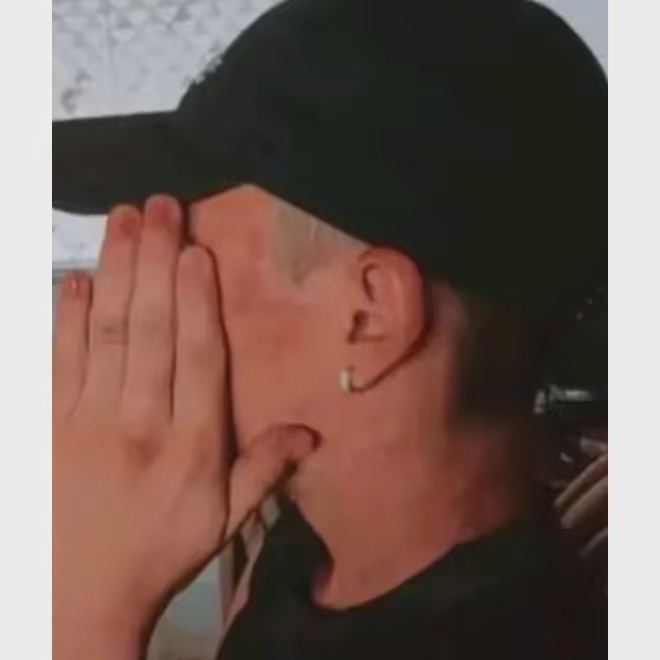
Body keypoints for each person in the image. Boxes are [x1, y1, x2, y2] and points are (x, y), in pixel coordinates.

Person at [52, 0, 607, 658]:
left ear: (369, 316)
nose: (143, 299)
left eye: (186, 246)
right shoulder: (312, 549)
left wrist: (85, 617)